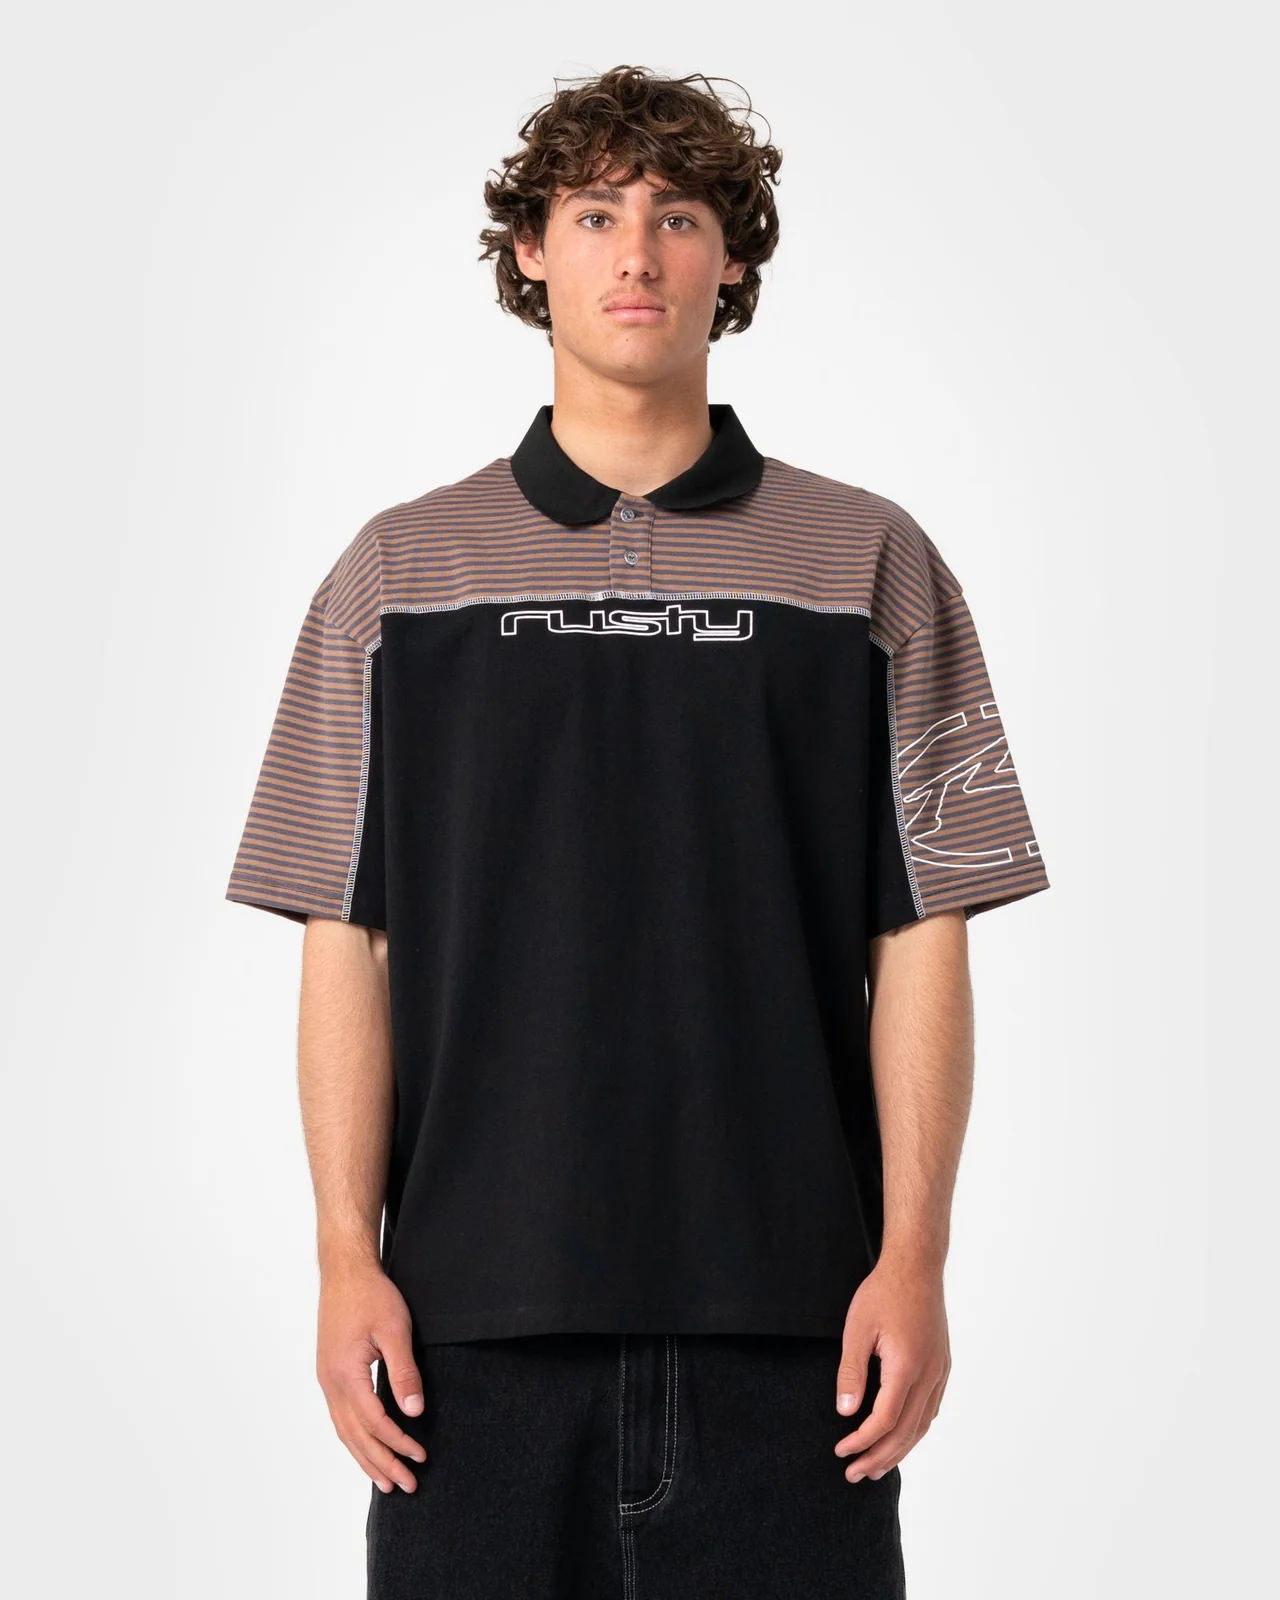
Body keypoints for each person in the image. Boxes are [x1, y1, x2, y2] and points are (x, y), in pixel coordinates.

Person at [225, 63, 1050, 1600]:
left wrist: (915, 1258)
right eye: (597, 213)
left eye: (678, 215)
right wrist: (345, 1257)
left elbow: (923, 927)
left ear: (732, 257)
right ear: (529, 250)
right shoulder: (395, 577)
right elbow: (348, 937)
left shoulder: (872, 564)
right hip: (467, 1345)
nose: (637, 253)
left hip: (798, 1336)